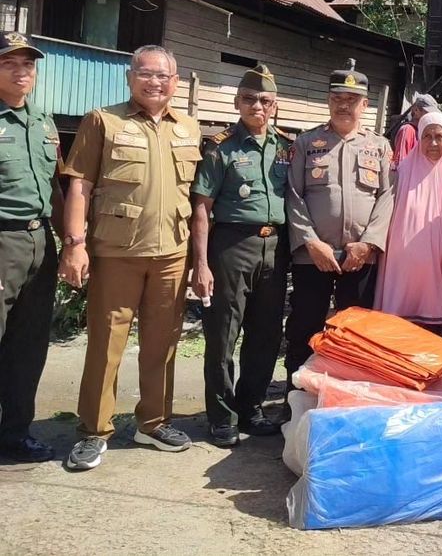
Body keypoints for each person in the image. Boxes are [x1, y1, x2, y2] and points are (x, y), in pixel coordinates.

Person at [59, 45, 202, 471]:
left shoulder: (189, 128)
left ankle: (153, 422)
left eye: (164, 76)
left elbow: (195, 197)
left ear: (176, 83)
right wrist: (75, 243)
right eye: (146, 73)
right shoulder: (103, 121)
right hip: (116, 252)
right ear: (130, 77)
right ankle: (93, 430)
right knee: (106, 345)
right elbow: (79, 186)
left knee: (163, 344)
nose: (155, 82)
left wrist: (197, 258)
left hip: (172, 255)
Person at [190, 64, 291, 447]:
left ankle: (250, 409)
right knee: (222, 334)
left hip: (274, 248)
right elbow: (201, 207)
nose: (258, 107)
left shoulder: (286, 147)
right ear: (237, 102)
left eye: (265, 100)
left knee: (265, 335)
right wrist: (201, 263)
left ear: (275, 105)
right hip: (232, 245)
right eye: (249, 99)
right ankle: (221, 416)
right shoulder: (221, 146)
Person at [284, 60, 393, 388]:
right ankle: (295, 398)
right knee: (304, 327)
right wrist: (310, 242)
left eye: (352, 99)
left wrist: (369, 243)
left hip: (360, 258)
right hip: (313, 256)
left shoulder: (379, 146)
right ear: (328, 101)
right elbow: (292, 194)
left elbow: (387, 196)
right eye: (337, 98)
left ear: (365, 105)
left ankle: (347, 395)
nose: (344, 105)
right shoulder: (306, 143)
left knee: (355, 331)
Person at [0, 33, 63, 463]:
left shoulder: (44, 121)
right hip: (2, 240)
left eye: (29, 64)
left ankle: (16, 434)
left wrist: (73, 243)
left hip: (42, 241)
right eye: (10, 63)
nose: (23, 71)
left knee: (29, 344)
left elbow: (56, 187)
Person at [375, 112, 442, 338]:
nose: (434, 143)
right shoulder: (403, 173)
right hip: (408, 275)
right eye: (427, 136)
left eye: (440, 136)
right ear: (419, 139)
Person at [392, 94, 438, 170]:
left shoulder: (421, 132)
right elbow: (401, 163)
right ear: (416, 111)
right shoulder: (408, 130)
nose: (431, 117)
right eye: (428, 113)